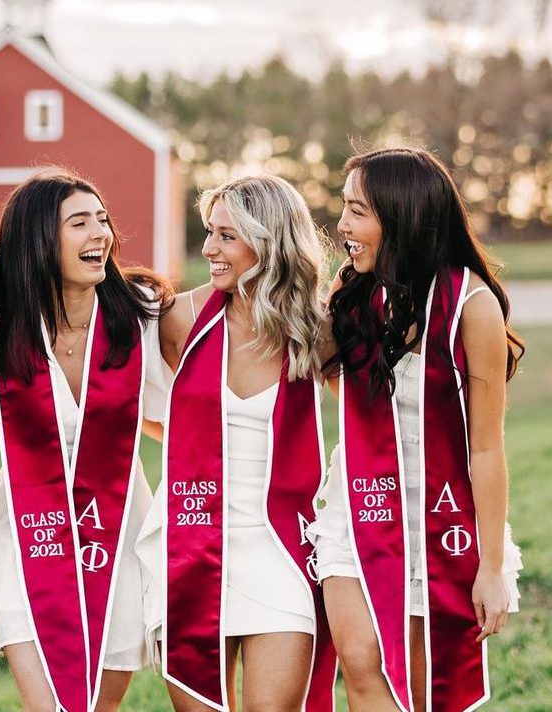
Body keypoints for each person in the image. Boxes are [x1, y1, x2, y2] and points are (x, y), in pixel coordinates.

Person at [308, 147, 524, 711]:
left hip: (440, 516)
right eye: (345, 209)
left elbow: (487, 444)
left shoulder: (471, 305)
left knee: (427, 685)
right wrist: (332, 307)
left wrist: (493, 567)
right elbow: (345, 394)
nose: (344, 226)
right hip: (360, 506)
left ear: (400, 215)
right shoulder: (356, 294)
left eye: (358, 211)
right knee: (358, 658)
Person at [136, 175, 337, 712]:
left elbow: (373, 419)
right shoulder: (179, 318)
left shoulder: (314, 327)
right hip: (193, 542)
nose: (207, 249)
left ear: (268, 240)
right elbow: (143, 413)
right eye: (208, 232)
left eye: (226, 236)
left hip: (279, 548)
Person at [0, 170, 171, 712]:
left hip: (119, 534)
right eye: (79, 223)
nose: (100, 235)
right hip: (27, 533)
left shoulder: (142, 318)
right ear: (39, 239)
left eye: (102, 221)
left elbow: (173, 412)